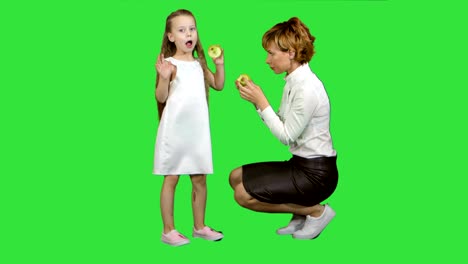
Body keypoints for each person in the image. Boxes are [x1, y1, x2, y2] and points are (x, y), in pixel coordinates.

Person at [230, 17, 338, 240]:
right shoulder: (292, 79)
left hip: (316, 174)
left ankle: (314, 211)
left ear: (291, 52)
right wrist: (256, 102)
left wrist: (262, 102)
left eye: (271, 53)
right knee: (234, 177)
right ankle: (300, 215)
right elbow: (281, 121)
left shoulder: (307, 88)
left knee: (242, 195)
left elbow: (287, 136)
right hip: (299, 164)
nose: (267, 60)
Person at [153, 9, 225, 246]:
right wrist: (164, 77)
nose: (189, 33)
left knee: (200, 179)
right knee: (171, 178)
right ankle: (168, 230)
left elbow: (218, 84)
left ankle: (200, 226)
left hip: (197, 132)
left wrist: (220, 65)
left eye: (192, 28)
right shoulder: (169, 65)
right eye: (182, 30)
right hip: (174, 131)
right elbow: (161, 97)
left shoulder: (199, 64)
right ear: (171, 36)